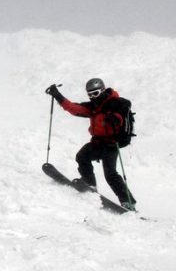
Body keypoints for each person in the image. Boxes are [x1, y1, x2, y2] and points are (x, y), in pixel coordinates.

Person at [45, 78, 136, 209]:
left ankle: (128, 202)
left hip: (111, 144)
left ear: (103, 90)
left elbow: (120, 116)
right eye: (90, 94)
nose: (93, 97)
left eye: (95, 93)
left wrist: (115, 119)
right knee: (82, 156)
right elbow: (73, 108)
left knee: (110, 174)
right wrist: (57, 95)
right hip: (98, 143)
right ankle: (90, 184)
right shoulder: (93, 106)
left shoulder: (116, 104)